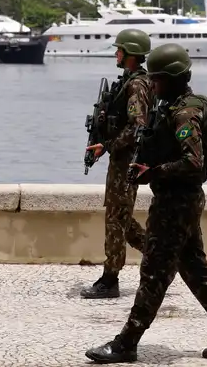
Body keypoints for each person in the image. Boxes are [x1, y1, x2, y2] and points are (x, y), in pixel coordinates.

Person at [85, 43, 207, 364]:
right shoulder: (181, 105)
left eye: (158, 80)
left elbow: (193, 162)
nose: (154, 85)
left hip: (175, 204)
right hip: (183, 202)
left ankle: (126, 343)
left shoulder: (184, 113)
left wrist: (154, 171)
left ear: (173, 78)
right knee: (195, 269)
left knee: (153, 273)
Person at [81, 28, 153, 299]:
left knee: (115, 219)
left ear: (131, 54)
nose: (116, 53)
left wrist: (108, 145)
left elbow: (138, 126)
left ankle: (110, 279)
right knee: (119, 216)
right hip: (120, 160)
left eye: (120, 50)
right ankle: (163, 256)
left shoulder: (136, 85)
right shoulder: (129, 81)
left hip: (127, 162)